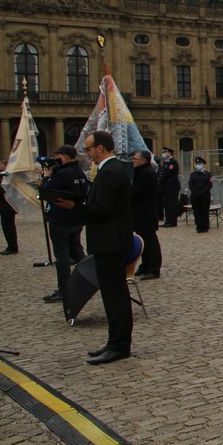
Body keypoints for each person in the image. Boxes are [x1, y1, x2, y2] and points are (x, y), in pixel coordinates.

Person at [55, 130, 133, 365]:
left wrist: (74, 207)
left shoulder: (110, 172)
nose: (87, 153)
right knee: (113, 295)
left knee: (115, 296)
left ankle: (119, 345)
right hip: (111, 241)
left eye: (89, 148)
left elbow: (103, 210)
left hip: (110, 242)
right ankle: (115, 342)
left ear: (100, 148)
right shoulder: (111, 170)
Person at [40, 146, 88, 300]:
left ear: (65, 156)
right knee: (77, 251)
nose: (56, 160)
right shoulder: (78, 171)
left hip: (60, 219)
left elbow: (45, 191)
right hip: (75, 219)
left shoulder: (62, 173)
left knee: (62, 257)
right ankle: (89, 280)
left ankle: (64, 289)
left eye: (57, 156)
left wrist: (47, 176)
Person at [130, 150, 162, 279]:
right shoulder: (142, 171)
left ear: (143, 160)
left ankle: (153, 268)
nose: (133, 160)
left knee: (150, 241)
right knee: (144, 240)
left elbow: (137, 192)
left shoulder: (147, 173)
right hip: (141, 212)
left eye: (135, 159)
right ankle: (146, 265)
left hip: (146, 213)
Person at [0, 159, 19, 255]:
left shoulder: (8, 177)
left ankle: (12, 247)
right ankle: (11, 245)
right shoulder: (2, 176)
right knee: (7, 227)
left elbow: (1, 190)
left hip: (7, 206)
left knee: (9, 227)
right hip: (4, 206)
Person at [187, 156, 212, 233]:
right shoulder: (193, 174)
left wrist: (202, 192)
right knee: (196, 211)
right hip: (195, 196)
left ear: (203, 164)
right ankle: (199, 226)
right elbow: (191, 185)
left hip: (205, 196)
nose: (198, 165)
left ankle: (205, 226)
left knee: (204, 211)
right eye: (197, 164)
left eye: (200, 163)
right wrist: (196, 192)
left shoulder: (208, 174)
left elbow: (209, 185)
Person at [157, 147, 181, 227]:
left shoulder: (172, 162)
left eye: (165, 152)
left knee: (171, 205)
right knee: (167, 205)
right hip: (167, 187)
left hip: (172, 187)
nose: (163, 153)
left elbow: (167, 174)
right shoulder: (167, 162)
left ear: (169, 153)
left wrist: (159, 180)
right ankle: (168, 221)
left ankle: (172, 222)